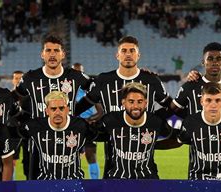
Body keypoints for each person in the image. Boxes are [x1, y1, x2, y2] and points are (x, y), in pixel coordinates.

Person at [78, 35, 173, 178]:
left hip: (145, 160)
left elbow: (172, 106)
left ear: (138, 55)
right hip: (112, 160)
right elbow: (82, 106)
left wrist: (156, 119)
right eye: (124, 51)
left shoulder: (151, 80)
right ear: (117, 55)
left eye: (132, 51)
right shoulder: (104, 80)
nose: (128, 54)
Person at [14, 34, 97, 179]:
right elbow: (13, 98)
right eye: (48, 50)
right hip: (38, 146)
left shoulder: (75, 76)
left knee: (70, 187)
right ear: (42, 54)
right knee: (36, 191)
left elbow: (97, 90)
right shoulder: (30, 78)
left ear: (63, 54)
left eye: (56, 50)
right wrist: (24, 118)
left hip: (69, 142)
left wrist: (77, 109)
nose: (52, 54)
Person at [97, 82, 172, 179]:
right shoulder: (111, 119)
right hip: (117, 179)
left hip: (148, 179)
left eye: (140, 101)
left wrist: (152, 145)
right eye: (131, 102)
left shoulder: (156, 122)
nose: (136, 106)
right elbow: (91, 134)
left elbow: (175, 138)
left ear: (146, 103)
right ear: (123, 103)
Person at [20, 91, 95, 180]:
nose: (58, 112)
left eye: (61, 108)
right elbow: (15, 134)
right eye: (53, 109)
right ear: (47, 111)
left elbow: (99, 136)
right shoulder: (36, 126)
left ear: (67, 110)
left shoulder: (80, 126)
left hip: (74, 182)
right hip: (45, 182)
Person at [178, 82, 221, 180]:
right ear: (201, 101)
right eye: (208, 100)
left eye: (217, 100)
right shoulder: (190, 122)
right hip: (197, 179)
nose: (213, 105)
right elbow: (182, 139)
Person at [171, 42, 221, 119]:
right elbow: (173, 109)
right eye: (210, 59)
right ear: (203, 63)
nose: (214, 63)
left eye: (219, 59)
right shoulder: (190, 86)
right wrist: (191, 119)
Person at [72, 62, 100, 180]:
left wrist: (90, 119)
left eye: (80, 72)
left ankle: (95, 185)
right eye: (75, 72)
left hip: (87, 127)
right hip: (72, 128)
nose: (78, 74)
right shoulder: (67, 91)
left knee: (90, 156)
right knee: (70, 158)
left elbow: (100, 112)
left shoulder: (90, 90)